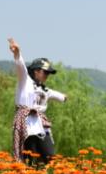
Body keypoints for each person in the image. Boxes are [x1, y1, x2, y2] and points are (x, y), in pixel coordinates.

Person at [8, 37, 67, 166]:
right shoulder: (25, 81)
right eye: (45, 72)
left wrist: (64, 97)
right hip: (26, 122)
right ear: (36, 71)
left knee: (49, 156)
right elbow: (21, 67)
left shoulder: (45, 90)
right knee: (29, 158)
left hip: (40, 124)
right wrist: (17, 53)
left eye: (48, 73)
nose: (47, 76)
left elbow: (58, 96)